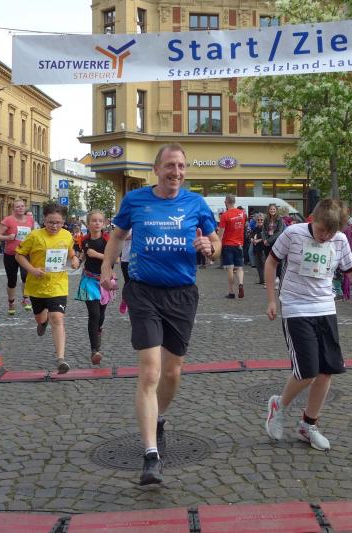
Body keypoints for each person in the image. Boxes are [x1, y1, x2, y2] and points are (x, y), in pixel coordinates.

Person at [99, 143, 220, 485]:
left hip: (182, 294)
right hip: (143, 292)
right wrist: (107, 266)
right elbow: (117, 236)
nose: (176, 172)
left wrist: (210, 248)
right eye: (169, 166)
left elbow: (216, 244)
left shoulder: (196, 204)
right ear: (156, 169)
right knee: (150, 371)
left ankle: (158, 416)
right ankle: (151, 455)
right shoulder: (135, 200)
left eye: (181, 166)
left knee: (172, 371)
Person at [264, 199, 352, 451]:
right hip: (296, 308)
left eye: (330, 232)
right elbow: (271, 262)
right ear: (312, 219)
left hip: (325, 309)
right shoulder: (293, 233)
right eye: (321, 230)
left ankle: (308, 424)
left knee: (326, 371)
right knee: (307, 371)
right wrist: (271, 299)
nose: (325, 236)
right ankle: (279, 406)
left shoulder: (339, 240)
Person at [15, 203, 79, 374]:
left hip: (58, 285)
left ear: (63, 222)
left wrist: (74, 258)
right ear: (44, 220)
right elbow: (19, 255)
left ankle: (60, 359)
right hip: (37, 286)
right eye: (51, 222)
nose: (54, 226)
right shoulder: (34, 236)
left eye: (58, 222)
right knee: (41, 318)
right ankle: (42, 322)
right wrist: (32, 270)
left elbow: (70, 250)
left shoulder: (67, 235)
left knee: (57, 318)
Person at [76, 210, 112, 365]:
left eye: (100, 221)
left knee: (101, 315)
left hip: (105, 280)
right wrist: (77, 261)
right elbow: (83, 255)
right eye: (94, 220)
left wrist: (97, 255)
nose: (97, 223)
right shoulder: (84, 239)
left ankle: (98, 332)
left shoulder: (108, 240)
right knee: (94, 314)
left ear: (104, 224)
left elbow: (115, 259)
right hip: (89, 280)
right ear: (88, 223)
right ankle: (94, 350)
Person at [0, 199, 35, 314]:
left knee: (26, 276)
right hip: (11, 254)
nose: (20, 208)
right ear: (13, 209)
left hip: (25, 253)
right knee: (12, 280)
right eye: (17, 207)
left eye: (22, 206)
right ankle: (11, 302)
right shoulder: (8, 220)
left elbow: (33, 234)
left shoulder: (30, 220)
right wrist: (7, 237)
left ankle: (25, 299)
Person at [218, 194, 247, 299]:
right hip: (239, 244)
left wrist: (217, 244)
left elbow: (221, 233)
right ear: (234, 202)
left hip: (228, 244)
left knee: (230, 268)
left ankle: (231, 292)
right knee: (239, 267)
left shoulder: (225, 215)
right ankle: (241, 284)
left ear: (226, 202)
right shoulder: (242, 214)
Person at [263, 203, 285, 286]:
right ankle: (270, 280)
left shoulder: (280, 220)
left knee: (277, 261)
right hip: (267, 242)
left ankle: (278, 279)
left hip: (276, 241)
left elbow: (279, 232)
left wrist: (269, 240)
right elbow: (263, 230)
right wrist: (265, 240)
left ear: (276, 210)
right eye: (271, 209)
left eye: (273, 209)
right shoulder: (266, 219)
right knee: (268, 261)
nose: (272, 210)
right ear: (268, 210)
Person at [250, 214, 267, 285]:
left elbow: (266, 237)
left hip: (263, 248)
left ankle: (266, 281)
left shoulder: (265, 228)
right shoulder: (256, 228)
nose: (260, 221)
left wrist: (258, 240)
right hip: (256, 248)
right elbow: (251, 235)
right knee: (258, 265)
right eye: (258, 220)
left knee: (263, 265)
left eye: (261, 220)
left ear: (264, 220)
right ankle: (261, 280)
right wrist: (252, 239)